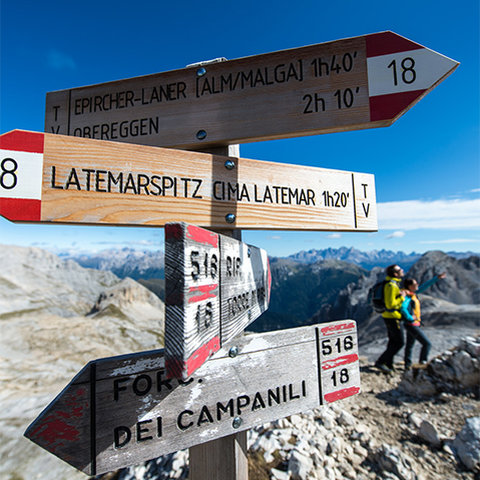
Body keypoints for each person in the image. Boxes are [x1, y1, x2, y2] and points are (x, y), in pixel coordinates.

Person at [401, 272, 447, 370]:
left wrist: (436, 278)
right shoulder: (408, 296)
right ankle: (422, 362)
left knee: (409, 345)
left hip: (412, 324)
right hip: (411, 324)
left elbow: (424, 286)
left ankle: (407, 365)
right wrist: (410, 318)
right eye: (415, 284)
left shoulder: (413, 294)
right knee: (427, 343)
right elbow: (403, 308)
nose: (417, 285)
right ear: (410, 286)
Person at [375, 264, 405, 373]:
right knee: (400, 342)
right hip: (392, 317)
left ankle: (389, 363)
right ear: (395, 273)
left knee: (393, 341)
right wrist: (402, 297)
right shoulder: (392, 286)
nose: (402, 270)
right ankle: (381, 362)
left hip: (389, 317)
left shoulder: (391, 283)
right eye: (400, 269)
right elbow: (390, 304)